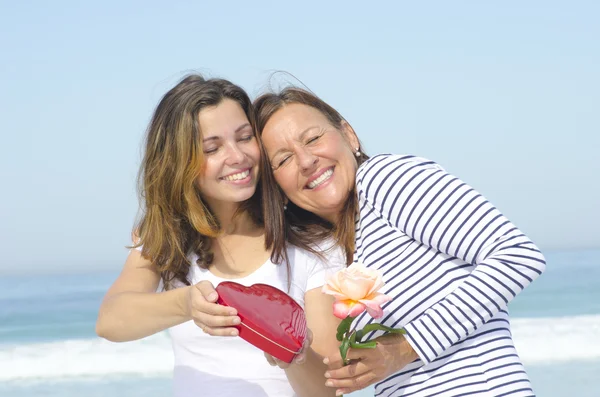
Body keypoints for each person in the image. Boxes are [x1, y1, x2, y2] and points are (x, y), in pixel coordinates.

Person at [253, 87, 546, 397]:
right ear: (277, 188)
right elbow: (334, 379)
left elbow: (516, 255)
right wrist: (289, 353)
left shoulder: (383, 179)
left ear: (348, 135)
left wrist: (408, 347)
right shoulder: (337, 250)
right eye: (283, 159)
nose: (306, 160)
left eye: (312, 139)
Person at [95, 75, 343, 397]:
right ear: (179, 163)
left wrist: (290, 355)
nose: (237, 156)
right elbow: (111, 321)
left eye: (244, 137)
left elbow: (328, 389)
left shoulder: (312, 245)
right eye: (212, 148)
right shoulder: (169, 238)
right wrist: (188, 303)